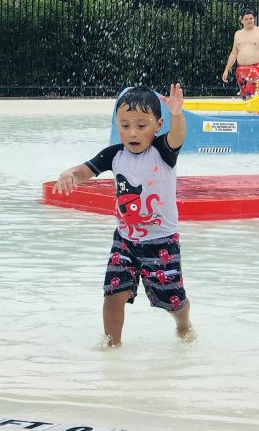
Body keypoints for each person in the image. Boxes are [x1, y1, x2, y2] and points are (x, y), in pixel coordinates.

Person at [52, 84, 194, 347]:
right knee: (113, 294)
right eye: (125, 125)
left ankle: (183, 322)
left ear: (158, 124)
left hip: (161, 241)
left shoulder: (163, 151)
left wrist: (177, 114)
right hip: (125, 239)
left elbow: (178, 135)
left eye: (141, 125)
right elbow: (85, 170)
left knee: (172, 300)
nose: (133, 132)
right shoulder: (114, 154)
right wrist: (69, 173)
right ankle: (111, 345)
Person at [222, 8, 259, 98]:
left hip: (256, 70)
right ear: (241, 20)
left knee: (255, 97)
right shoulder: (238, 34)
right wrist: (226, 70)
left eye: (251, 18)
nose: (249, 21)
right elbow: (234, 53)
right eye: (246, 19)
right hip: (241, 70)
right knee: (245, 97)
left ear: (254, 19)